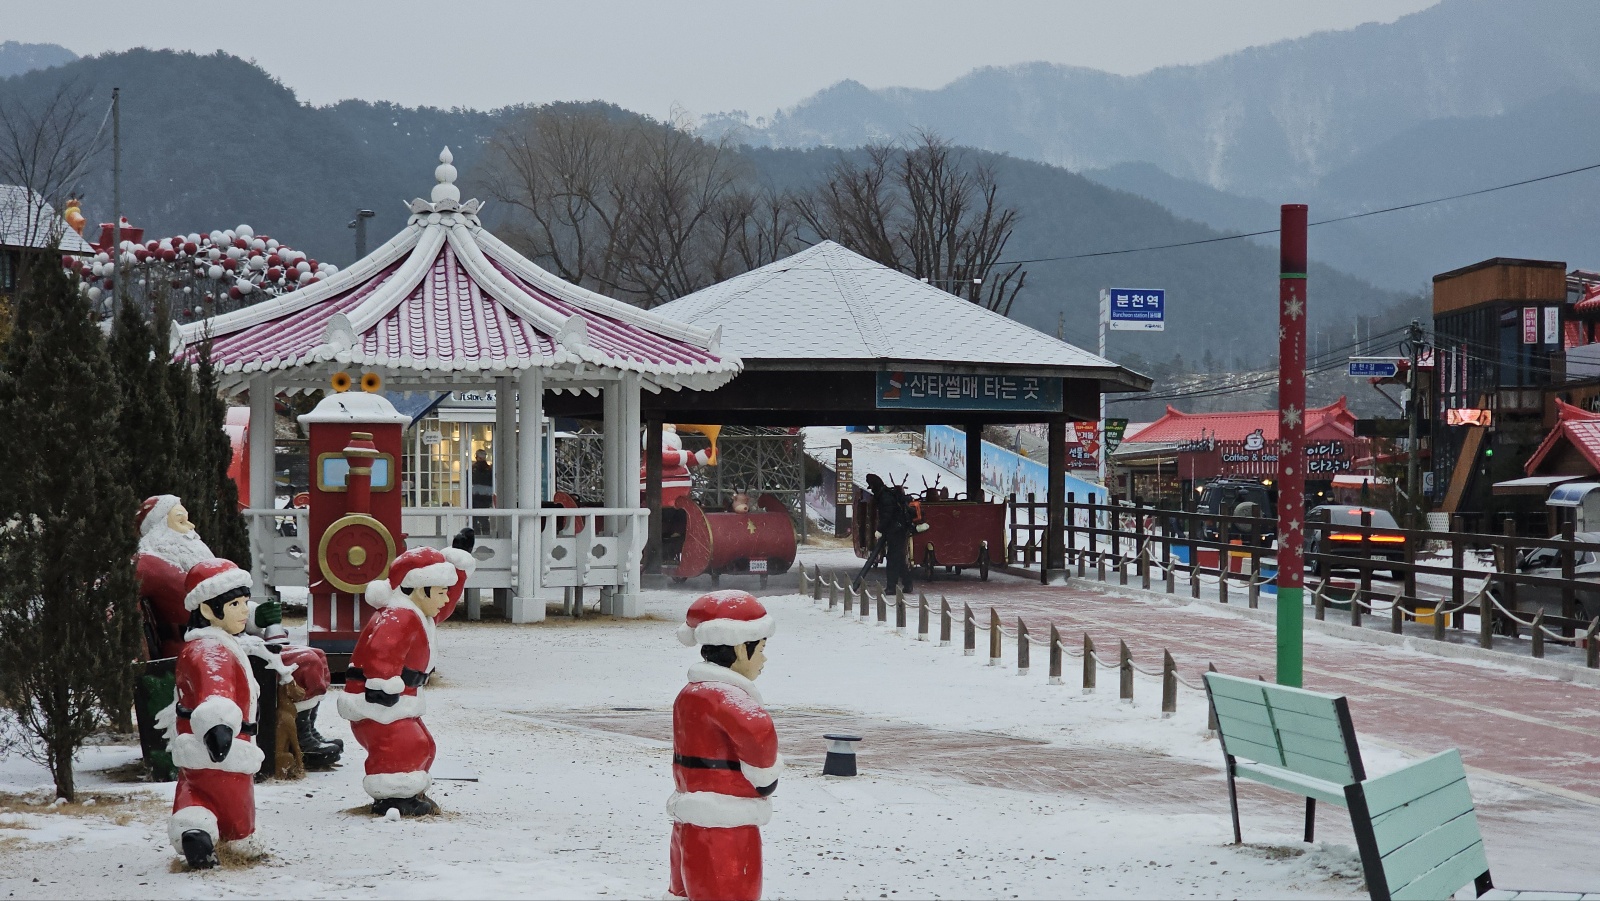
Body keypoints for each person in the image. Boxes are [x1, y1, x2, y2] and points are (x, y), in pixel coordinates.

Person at [135, 495, 342, 767]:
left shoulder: (186, 560)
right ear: (158, 528)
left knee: (316, 655)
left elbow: (224, 604)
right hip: (196, 645)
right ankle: (298, 740)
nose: (191, 527)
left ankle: (305, 732)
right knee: (306, 661)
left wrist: (255, 615)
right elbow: (116, 592)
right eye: (181, 521)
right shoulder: (149, 564)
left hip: (229, 638)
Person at [162, 558, 294, 870]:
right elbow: (215, 691)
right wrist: (218, 727)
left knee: (195, 792)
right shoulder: (212, 651)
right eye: (235, 604)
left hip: (197, 747)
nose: (244, 610)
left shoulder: (203, 645)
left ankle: (195, 828)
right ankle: (232, 840)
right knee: (237, 820)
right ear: (208, 610)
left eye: (245, 602)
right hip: (225, 746)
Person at [337, 543, 474, 816]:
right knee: (404, 747)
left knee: (423, 745)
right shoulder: (399, 616)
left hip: (401, 699)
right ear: (420, 590)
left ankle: (409, 793)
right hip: (380, 701)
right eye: (441, 592)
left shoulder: (416, 611)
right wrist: (382, 686)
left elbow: (442, 608)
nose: (446, 599)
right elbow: (381, 651)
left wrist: (459, 573)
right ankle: (393, 798)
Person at [668, 590, 780, 901]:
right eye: (761, 649)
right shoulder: (733, 702)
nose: (764, 659)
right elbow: (760, 742)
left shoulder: (688, 694)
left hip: (688, 821)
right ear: (742, 649)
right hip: (727, 828)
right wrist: (766, 780)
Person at [865, 474, 924, 594]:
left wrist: (880, 529)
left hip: (896, 531)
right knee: (899, 558)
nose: (871, 490)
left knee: (892, 559)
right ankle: (907, 583)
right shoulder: (886, 494)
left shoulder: (885, 497)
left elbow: (887, 515)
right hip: (898, 530)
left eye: (871, 487)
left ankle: (892, 587)